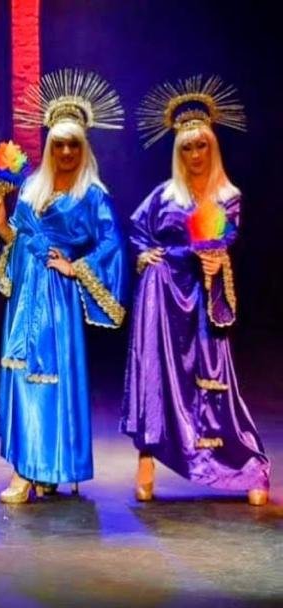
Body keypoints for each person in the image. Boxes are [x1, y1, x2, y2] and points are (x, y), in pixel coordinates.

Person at [122, 75, 270, 506]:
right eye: (187, 148)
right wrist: (146, 255)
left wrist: (214, 258)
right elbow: (138, 231)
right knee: (158, 374)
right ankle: (147, 457)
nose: (195, 154)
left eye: (201, 146)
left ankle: (243, 463)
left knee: (212, 377)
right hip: (163, 293)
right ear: (178, 152)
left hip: (203, 295)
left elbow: (223, 238)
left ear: (212, 147)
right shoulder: (163, 195)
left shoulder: (228, 196)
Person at [0, 69, 126, 503]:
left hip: (56, 299)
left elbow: (111, 245)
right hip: (25, 293)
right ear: (49, 146)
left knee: (47, 377)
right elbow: (18, 236)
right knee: (20, 373)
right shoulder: (32, 186)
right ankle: (25, 467)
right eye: (59, 144)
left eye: (73, 145)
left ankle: (42, 468)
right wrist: (3, 229)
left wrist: (76, 267)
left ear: (83, 148)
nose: (66, 151)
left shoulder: (93, 194)